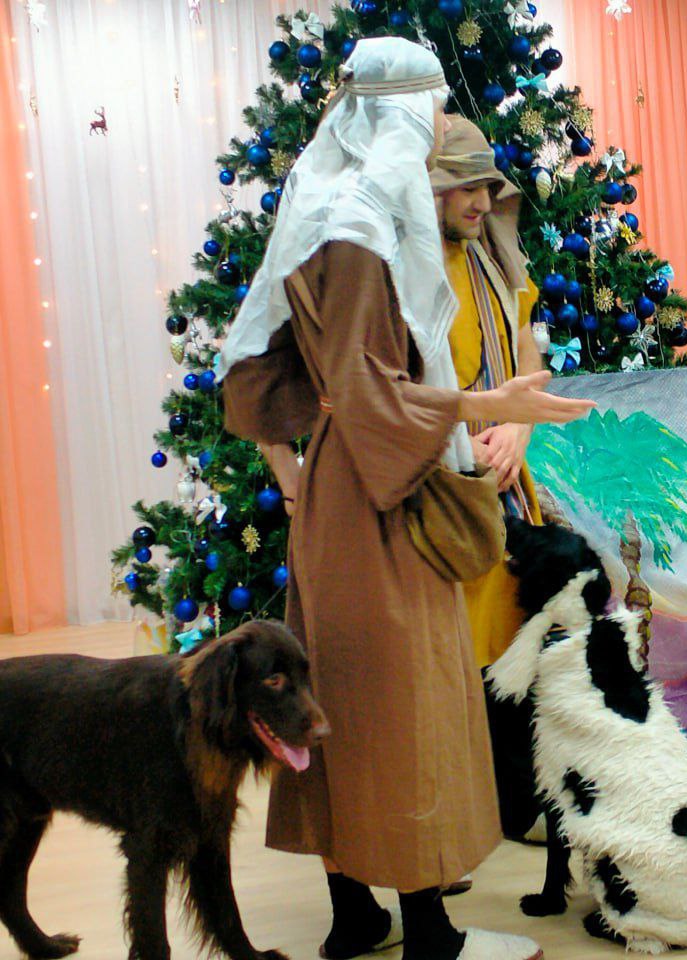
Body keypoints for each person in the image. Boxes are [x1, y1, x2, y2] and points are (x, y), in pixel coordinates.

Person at [219, 37, 592, 960]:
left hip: (342, 489)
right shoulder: (360, 230)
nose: (435, 135)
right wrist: (483, 406)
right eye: (429, 116)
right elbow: (371, 389)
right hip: (380, 497)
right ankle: (430, 934)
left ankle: (356, 918)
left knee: (342, 695)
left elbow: (257, 374)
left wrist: (302, 471)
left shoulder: (317, 214)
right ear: (401, 119)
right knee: (405, 702)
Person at [429, 115, 546, 843]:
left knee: (513, 644)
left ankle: (515, 807)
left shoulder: (493, 259)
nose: (480, 200)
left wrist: (518, 427)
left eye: (485, 185)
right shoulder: (407, 268)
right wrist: (461, 439)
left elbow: (527, 349)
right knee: (450, 660)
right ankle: (452, 826)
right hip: (442, 492)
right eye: (463, 185)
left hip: (505, 482)